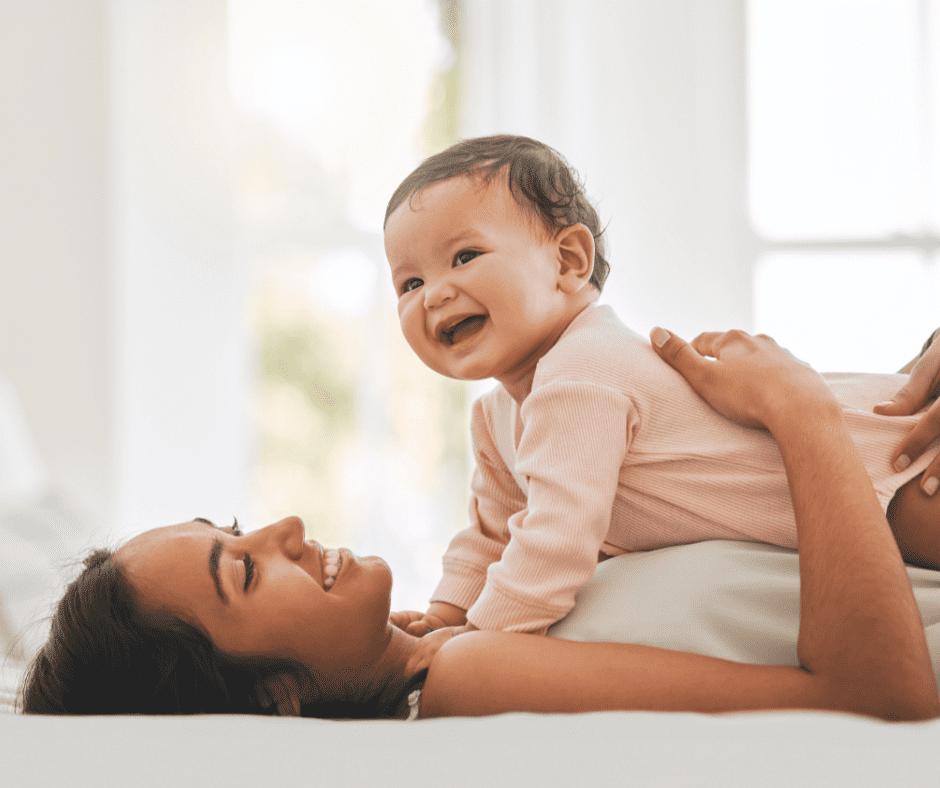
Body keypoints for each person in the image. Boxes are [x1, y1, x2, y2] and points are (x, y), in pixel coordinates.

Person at [16, 328, 940, 721]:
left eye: (242, 529)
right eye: (247, 573)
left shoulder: (477, 623)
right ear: (273, 700)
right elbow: (874, 699)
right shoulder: (468, 674)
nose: (289, 527)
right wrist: (800, 411)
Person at [383, 135, 940, 637]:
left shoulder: (583, 373)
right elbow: (494, 534)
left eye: (465, 256)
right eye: (410, 281)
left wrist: (478, 638)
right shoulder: (497, 415)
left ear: (569, 262)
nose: (434, 294)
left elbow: (554, 543)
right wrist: (445, 613)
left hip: (891, 468)